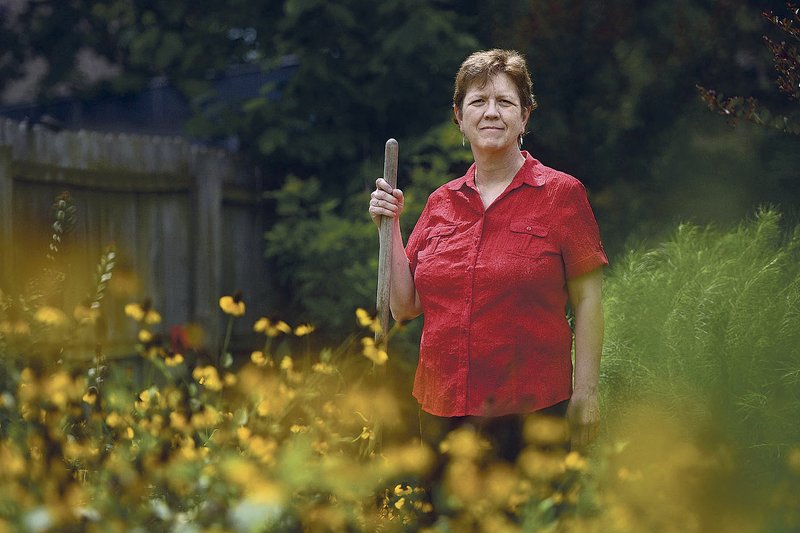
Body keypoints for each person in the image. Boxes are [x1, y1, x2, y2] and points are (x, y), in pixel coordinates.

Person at [368, 49, 607, 455]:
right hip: (442, 410)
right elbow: (404, 307)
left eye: (505, 102)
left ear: (525, 117)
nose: (491, 112)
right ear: (460, 117)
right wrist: (388, 229)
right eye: (478, 102)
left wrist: (586, 392)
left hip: (533, 414)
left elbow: (589, 299)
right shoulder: (440, 203)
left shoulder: (562, 195)